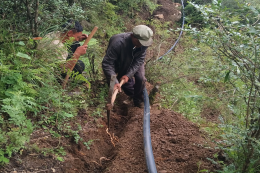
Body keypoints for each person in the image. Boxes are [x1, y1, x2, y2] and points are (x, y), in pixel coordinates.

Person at [102, 25, 153, 107]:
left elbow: (140, 60)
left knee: (141, 78)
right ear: (132, 36)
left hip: (136, 60)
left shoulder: (144, 43)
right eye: (139, 42)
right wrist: (114, 81)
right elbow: (107, 63)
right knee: (124, 83)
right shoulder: (117, 43)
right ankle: (133, 95)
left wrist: (128, 75)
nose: (141, 44)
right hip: (120, 60)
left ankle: (138, 100)